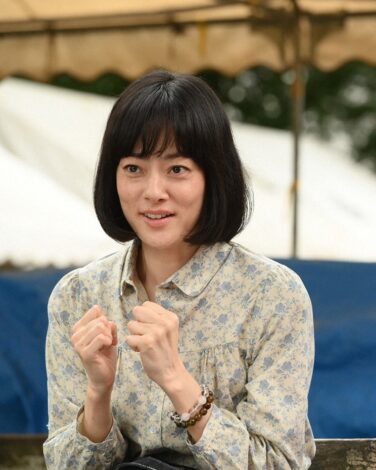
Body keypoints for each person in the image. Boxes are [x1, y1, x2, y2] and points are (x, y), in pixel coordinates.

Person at [43, 70, 315, 469]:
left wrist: (177, 380)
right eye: (133, 168)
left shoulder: (272, 295)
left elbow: (279, 462)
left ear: (213, 177)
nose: (153, 191)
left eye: (177, 170)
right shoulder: (77, 297)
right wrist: (98, 395)